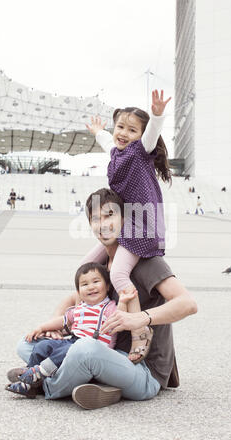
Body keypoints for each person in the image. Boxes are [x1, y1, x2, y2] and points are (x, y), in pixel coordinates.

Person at [8, 188, 197, 410]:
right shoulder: (100, 267)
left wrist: (141, 319)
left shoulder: (147, 262)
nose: (103, 224)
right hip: (103, 352)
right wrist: (56, 324)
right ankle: (92, 382)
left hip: (140, 369)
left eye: (110, 215)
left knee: (85, 350)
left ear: (124, 219)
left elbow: (188, 303)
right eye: (96, 218)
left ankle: (43, 385)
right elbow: (71, 300)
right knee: (26, 344)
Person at [83, 89, 172, 364]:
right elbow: (105, 142)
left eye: (131, 130)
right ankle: (84, 321)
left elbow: (151, 134)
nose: (123, 133)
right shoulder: (116, 153)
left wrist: (156, 115)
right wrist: (99, 130)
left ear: (140, 136)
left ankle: (138, 329)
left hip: (140, 224)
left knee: (120, 275)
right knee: (85, 267)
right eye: (120, 126)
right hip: (124, 222)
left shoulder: (140, 152)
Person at [6, 262, 136, 398]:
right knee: (43, 346)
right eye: (85, 284)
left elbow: (118, 317)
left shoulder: (109, 307)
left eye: (96, 282)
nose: (91, 287)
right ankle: (28, 381)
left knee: (64, 352)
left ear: (107, 286)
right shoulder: (80, 308)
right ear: (79, 291)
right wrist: (41, 327)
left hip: (93, 348)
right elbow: (63, 320)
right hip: (73, 341)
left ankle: (39, 373)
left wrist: (123, 302)